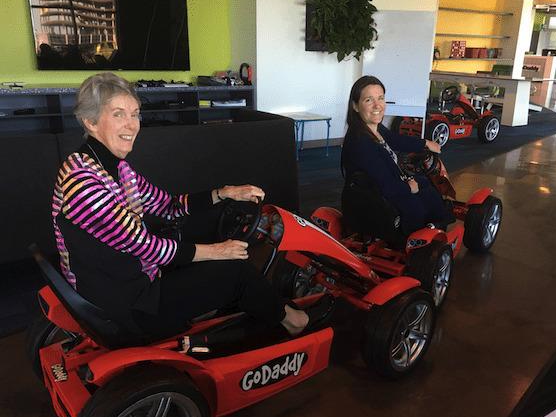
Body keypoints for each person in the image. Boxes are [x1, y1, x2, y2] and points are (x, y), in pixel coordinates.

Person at [52, 72, 325, 341]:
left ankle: (250, 309)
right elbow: (145, 245)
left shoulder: (115, 168)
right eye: (118, 114)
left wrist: (225, 193)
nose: (132, 124)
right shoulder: (83, 182)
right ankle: (294, 322)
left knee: (214, 250)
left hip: (129, 280)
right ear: (90, 121)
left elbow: (167, 205)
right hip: (125, 305)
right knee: (236, 271)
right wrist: (217, 252)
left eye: (135, 114)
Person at [341, 75, 449, 234]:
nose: (377, 105)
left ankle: (436, 223)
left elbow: (396, 140)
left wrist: (425, 143)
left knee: (425, 184)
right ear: (356, 106)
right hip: (373, 201)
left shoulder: (373, 128)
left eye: (381, 98)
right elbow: (386, 185)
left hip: (379, 189)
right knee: (425, 198)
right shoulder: (361, 142)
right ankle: (427, 237)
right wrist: (409, 188)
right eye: (368, 100)